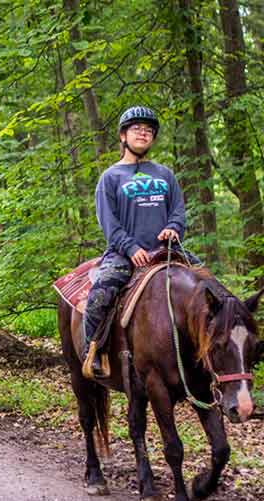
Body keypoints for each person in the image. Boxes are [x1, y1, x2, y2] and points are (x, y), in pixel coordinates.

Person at [83, 105, 198, 376]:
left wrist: (173, 228)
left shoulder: (165, 174)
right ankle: (94, 351)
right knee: (100, 294)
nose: (143, 134)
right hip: (124, 254)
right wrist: (131, 247)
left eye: (148, 131)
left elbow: (178, 210)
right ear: (123, 136)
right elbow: (109, 223)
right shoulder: (110, 177)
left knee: (209, 288)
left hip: (166, 251)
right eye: (137, 129)